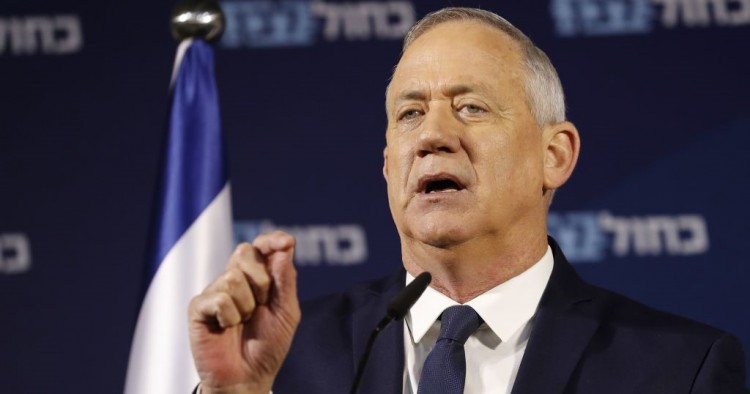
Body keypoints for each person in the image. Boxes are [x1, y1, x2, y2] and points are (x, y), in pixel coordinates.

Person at [188, 7, 748, 394]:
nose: (432, 135)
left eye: (471, 107)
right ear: (388, 166)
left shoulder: (677, 369)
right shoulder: (284, 360)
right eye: (410, 114)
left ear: (554, 155)